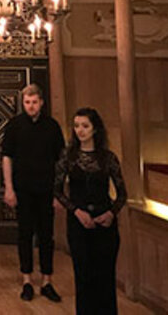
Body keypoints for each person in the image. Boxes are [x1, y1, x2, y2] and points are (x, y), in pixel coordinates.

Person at [55, 108, 126, 315]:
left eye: (85, 126)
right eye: (76, 126)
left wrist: (111, 214)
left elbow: (122, 194)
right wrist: (76, 211)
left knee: (104, 278)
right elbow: (57, 191)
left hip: (104, 223)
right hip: (78, 221)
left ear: (95, 129)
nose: (80, 130)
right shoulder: (68, 157)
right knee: (83, 277)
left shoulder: (108, 158)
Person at [2, 83, 66, 302]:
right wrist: (9, 188)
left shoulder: (52, 126)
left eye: (34, 102)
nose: (31, 106)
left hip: (47, 189)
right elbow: (6, 158)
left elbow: (61, 162)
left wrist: (59, 193)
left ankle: (47, 280)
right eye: (27, 102)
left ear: (41, 103)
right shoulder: (14, 125)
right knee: (25, 235)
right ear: (23, 103)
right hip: (23, 189)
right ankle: (27, 280)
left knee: (47, 236)